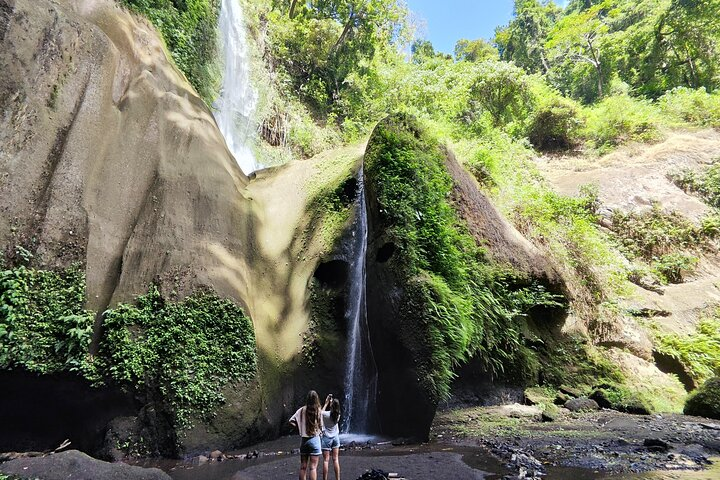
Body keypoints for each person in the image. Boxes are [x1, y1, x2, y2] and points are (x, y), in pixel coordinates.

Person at [289, 390, 324, 480]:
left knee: (303, 467)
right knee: (313, 467)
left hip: (304, 440)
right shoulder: (318, 410)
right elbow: (322, 426)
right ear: (317, 399)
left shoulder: (301, 410)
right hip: (315, 440)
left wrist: (299, 428)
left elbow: (291, 421)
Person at [321, 394, 341, 480]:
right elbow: (334, 412)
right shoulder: (338, 415)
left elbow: (320, 413)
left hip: (326, 438)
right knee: (335, 459)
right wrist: (332, 404)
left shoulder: (325, 414)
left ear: (331, 406)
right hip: (335, 438)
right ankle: (338, 479)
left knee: (326, 460)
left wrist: (326, 403)